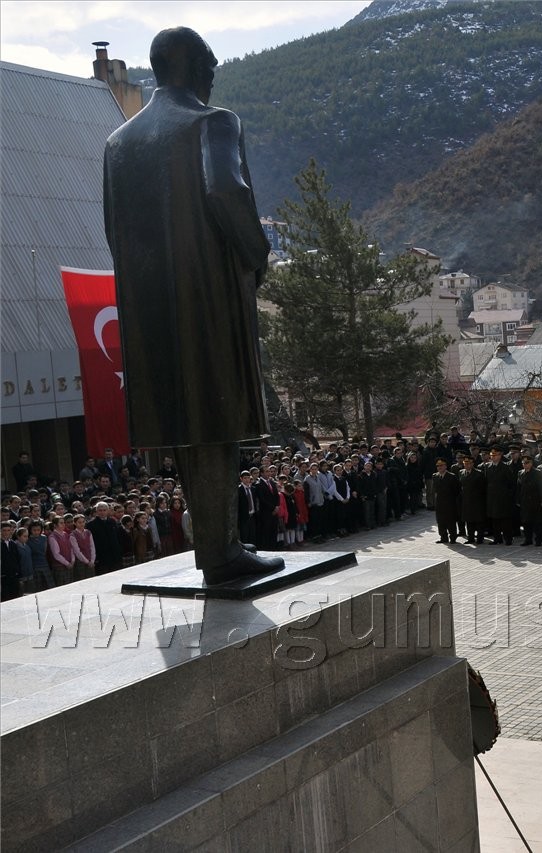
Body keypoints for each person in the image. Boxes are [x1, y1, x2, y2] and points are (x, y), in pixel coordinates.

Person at [103, 27, 284, 583]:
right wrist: (257, 256)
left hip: (150, 305)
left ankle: (216, 547)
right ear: (191, 66)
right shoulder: (213, 121)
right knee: (216, 416)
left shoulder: (119, 143)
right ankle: (222, 552)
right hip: (205, 293)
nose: (213, 73)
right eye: (209, 62)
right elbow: (227, 191)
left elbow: (114, 230)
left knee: (188, 422)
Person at [431, 458, 460, 543]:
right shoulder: (435, 476)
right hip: (439, 502)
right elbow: (435, 489)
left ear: (445, 466)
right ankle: (443, 537)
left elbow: (457, 490)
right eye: (438, 466)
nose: (439, 467)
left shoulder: (452, 476)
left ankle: (453, 537)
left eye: (441, 465)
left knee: (450, 520)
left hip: (450, 502)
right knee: (441, 521)